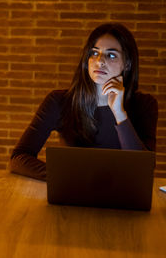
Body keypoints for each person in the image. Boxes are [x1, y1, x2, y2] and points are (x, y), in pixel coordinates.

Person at [9, 23, 158, 181]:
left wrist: (120, 114)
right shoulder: (59, 101)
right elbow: (18, 158)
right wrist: (65, 177)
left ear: (127, 64)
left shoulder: (145, 105)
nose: (100, 61)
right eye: (94, 53)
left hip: (121, 199)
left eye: (111, 55)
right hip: (71, 195)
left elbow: (143, 169)